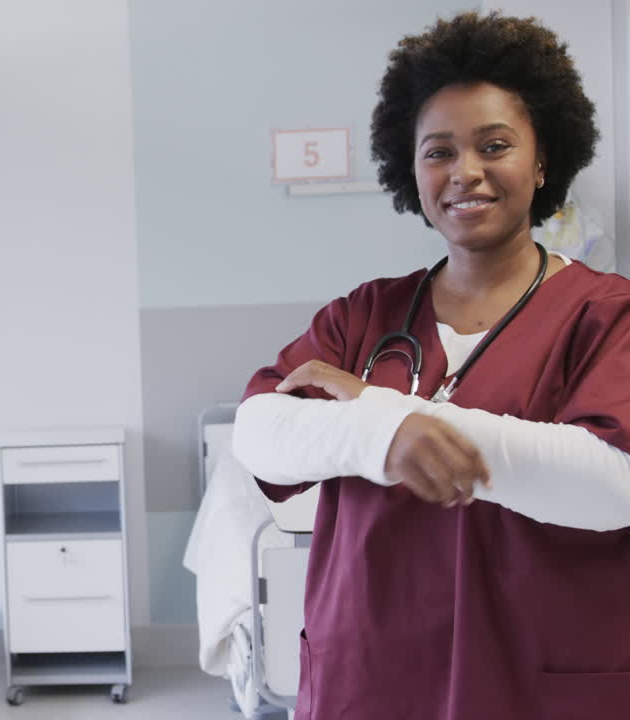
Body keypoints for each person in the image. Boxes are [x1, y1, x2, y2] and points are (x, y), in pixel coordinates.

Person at [230, 12, 630, 719]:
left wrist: (394, 417)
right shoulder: (365, 315)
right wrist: (381, 437)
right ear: (409, 169)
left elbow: (611, 483)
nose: (464, 172)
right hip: (371, 673)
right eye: (438, 151)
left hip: (533, 678)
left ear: (543, 162)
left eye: (495, 145)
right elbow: (260, 429)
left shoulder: (605, 314)